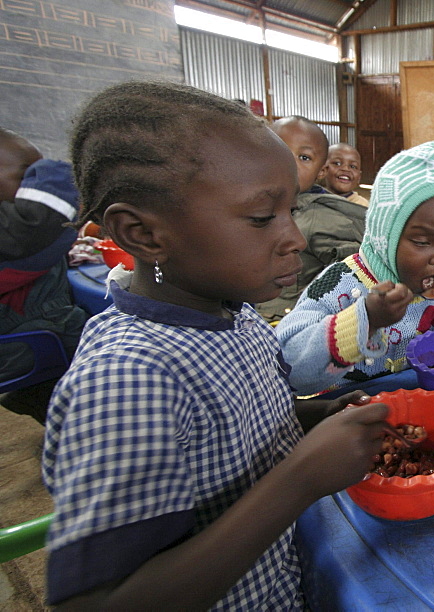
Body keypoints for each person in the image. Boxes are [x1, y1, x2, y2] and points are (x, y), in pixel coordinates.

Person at [42, 80, 390, 609]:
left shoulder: (234, 314)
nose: (295, 238)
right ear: (143, 233)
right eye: (260, 218)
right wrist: (299, 480)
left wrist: (310, 419)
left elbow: (225, 441)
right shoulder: (129, 382)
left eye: (292, 210)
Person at [276, 141, 434, 397]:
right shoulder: (339, 285)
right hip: (350, 425)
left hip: (424, 416)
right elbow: (287, 367)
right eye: (422, 242)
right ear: (385, 234)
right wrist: (364, 320)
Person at [0, 129, 87, 424]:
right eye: (27, 173)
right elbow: (40, 226)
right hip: (28, 346)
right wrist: (59, 170)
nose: (35, 182)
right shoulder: (20, 232)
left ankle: (40, 400)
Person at [256, 117, 366, 321]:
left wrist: (312, 309)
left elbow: (351, 270)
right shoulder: (254, 203)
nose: (288, 163)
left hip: (284, 320)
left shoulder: (321, 215)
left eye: (304, 158)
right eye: (279, 152)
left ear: (321, 171)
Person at [320, 142, 368, 207]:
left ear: (359, 177)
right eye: (337, 163)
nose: (346, 169)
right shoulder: (312, 199)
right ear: (322, 170)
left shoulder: (362, 206)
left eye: (353, 166)